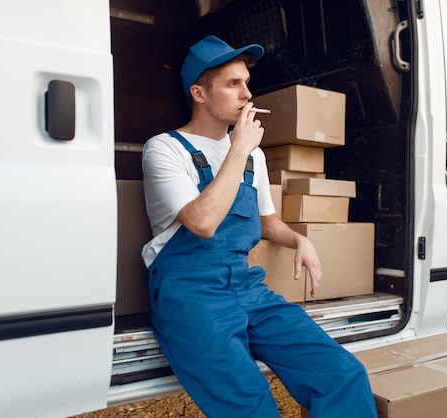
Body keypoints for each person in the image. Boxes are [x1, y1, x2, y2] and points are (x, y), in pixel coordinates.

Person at [141, 35, 378, 418]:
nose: (246, 94)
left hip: (247, 287)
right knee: (253, 407)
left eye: (246, 83)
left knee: (342, 374)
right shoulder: (165, 148)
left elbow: (266, 221)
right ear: (199, 93)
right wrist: (238, 148)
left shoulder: (255, 154)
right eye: (233, 84)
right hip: (191, 294)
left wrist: (298, 238)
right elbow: (201, 222)